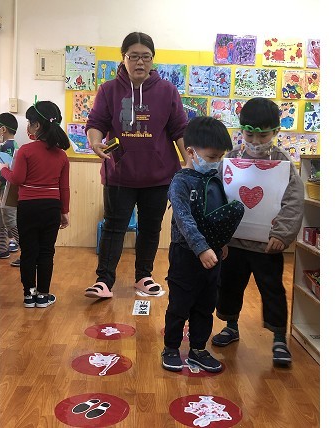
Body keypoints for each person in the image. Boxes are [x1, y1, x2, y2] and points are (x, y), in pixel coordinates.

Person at [84, 31, 188, 299]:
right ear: (123, 58)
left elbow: (179, 129)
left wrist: (188, 161)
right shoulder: (108, 90)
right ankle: (104, 281)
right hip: (119, 174)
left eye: (146, 57)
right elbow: (96, 123)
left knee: (151, 228)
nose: (140, 62)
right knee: (113, 227)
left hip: (159, 176)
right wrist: (95, 143)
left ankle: (144, 276)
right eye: (133, 56)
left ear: (152, 59)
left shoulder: (168, 91)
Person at [212, 97, 304, 367]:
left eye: (262, 135)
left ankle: (279, 337)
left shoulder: (283, 163)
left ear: (276, 132)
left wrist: (282, 234)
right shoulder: (231, 159)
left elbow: (293, 201)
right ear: (241, 130)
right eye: (249, 134)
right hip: (233, 243)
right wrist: (219, 235)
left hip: (267, 245)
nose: (255, 141)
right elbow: (217, 193)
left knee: (272, 289)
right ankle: (231, 326)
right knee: (229, 286)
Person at [161, 116, 243, 373]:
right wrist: (202, 248)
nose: (215, 162)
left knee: (206, 305)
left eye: (220, 157)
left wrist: (221, 242)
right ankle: (171, 348)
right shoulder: (180, 182)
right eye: (211, 157)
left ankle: (198, 349)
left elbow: (219, 214)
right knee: (180, 305)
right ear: (190, 152)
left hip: (213, 254)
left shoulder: (214, 179)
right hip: (186, 254)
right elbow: (184, 219)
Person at [0, 100, 71, 308]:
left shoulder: (25, 151)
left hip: (28, 208)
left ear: (37, 125)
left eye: (29, 123)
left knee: (29, 251)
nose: (28, 127)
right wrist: (64, 212)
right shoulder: (62, 156)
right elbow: (64, 188)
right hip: (51, 208)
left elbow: (18, 179)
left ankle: (28, 296)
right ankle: (43, 296)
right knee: (47, 252)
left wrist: (4, 169)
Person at [0, 113, 21, 262]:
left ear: (3, 129)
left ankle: (25, 249)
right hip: (7, 189)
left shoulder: (6, 147)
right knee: (1, 218)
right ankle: (2, 248)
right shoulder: (14, 145)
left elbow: (3, 170)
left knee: (9, 219)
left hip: (7, 190)